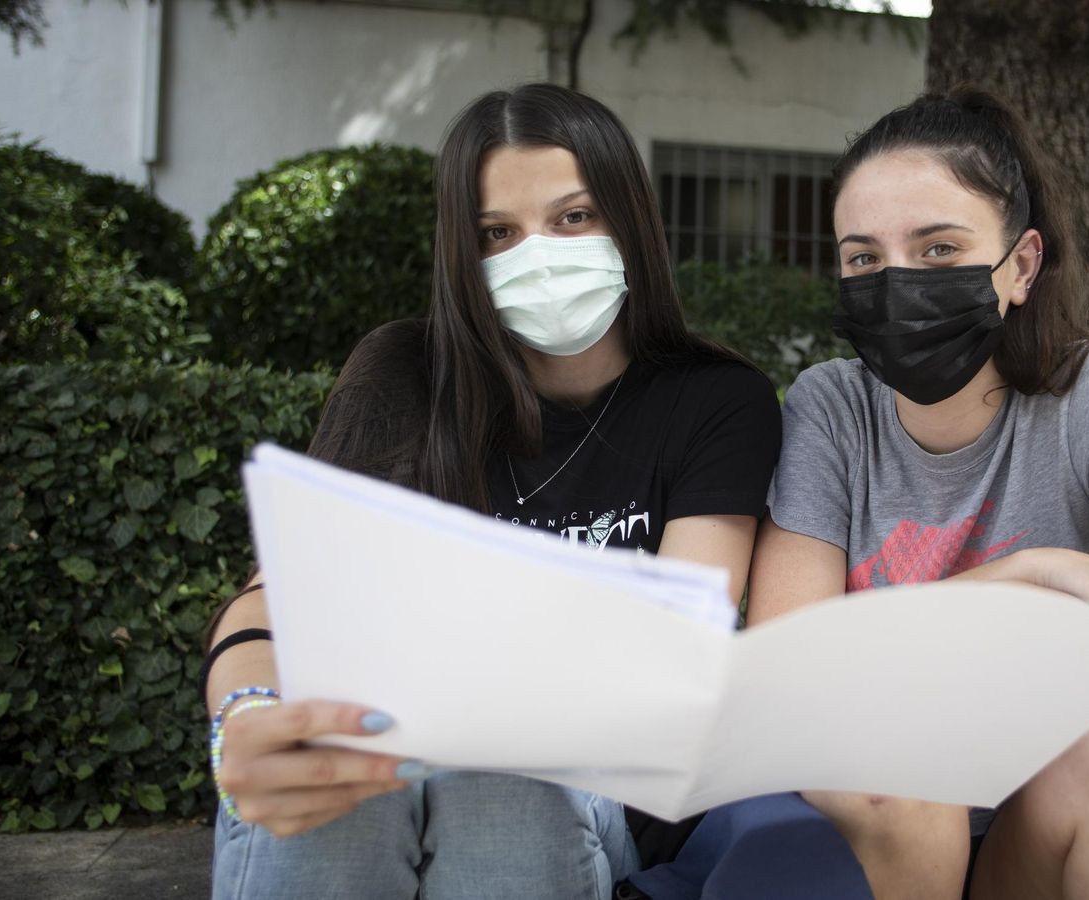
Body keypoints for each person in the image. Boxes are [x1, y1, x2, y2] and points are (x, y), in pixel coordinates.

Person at [201, 83, 785, 899]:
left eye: (574, 217)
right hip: (387, 761)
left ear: (630, 220)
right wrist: (249, 712)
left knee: (491, 774)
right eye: (496, 234)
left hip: (583, 793)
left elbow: (667, 656)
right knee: (354, 769)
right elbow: (275, 601)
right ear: (461, 256)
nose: (537, 254)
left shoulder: (718, 401)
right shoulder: (405, 371)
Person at [746, 86, 1089, 900]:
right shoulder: (832, 410)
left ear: (1021, 266)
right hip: (874, 835)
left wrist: (1075, 628)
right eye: (864, 257)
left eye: (939, 249)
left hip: (1044, 833)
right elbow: (787, 672)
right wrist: (1033, 575)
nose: (897, 281)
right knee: (894, 768)